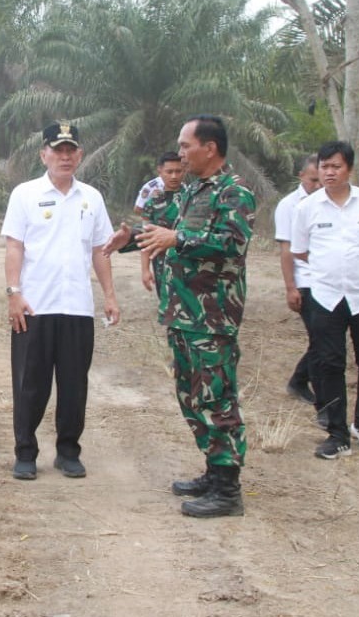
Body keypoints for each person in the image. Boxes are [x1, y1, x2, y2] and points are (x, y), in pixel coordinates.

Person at [103, 115, 255, 518]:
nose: (181, 152)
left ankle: (228, 489)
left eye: (186, 145)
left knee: (217, 396)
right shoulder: (191, 191)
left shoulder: (234, 192)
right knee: (191, 394)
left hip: (213, 316)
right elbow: (165, 230)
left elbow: (232, 243)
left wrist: (178, 239)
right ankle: (213, 467)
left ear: (210, 147)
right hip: (183, 312)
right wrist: (131, 238)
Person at [2, 121, 120, 481]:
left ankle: (69, 451)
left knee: (74, 384)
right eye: (57, 149)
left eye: (71, 150)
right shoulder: (25, 194)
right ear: (44, 154)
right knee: (30, 384)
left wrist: (109, 296)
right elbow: (14, 246)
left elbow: (101, 250)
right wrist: (13, 293)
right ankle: (26, 452)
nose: (64, 157)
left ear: (80, 155)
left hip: (77, 308)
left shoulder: (91, 198)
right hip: (35, 306)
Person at [291, 140, 359, 460]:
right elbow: (301, 251)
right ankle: (336, 434)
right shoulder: (307, 208)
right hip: (325, 295)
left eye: (336, 166)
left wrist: (357, 268)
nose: (329, 172)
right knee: (328, 363)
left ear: (349, 169)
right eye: (324, 167)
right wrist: (332, 269)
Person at [274, 154, 322, 408]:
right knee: (321, 338)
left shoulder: (330, 201)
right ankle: (306, 385)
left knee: (324, 339)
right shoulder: (289, 205)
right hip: (305, 280)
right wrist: (291, 287)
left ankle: (299, 380)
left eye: (321, 180)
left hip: (329, 281)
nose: (318, 185)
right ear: (301, 176)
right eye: (313, 179)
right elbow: (286, 250)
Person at [138, 152, 186, 296]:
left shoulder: (192, 197)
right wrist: (145, 270)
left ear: (184, 170)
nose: (174, 176)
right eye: (169, 171)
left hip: (189, 263)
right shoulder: (152, 203)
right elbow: (145, 237)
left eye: (178, 171)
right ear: (160, 171)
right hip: (162, 265)